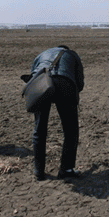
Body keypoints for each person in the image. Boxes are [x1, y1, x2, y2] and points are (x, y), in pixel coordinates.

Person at [22, 45, 84, 181]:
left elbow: (33, 73)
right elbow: (80, 83)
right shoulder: (72, 54)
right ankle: (66, 169)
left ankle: (38, 171)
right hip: (65, 83)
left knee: (39, 129)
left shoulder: (42, 54)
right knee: (70, 130)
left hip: (42, 82)